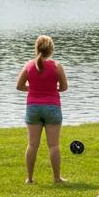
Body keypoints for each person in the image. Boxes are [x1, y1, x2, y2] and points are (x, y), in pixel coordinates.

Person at [15, 34, 68, 185]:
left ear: (36, 48)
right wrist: (50, 89)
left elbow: (19, 86)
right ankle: (57, 178)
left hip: (33, 107)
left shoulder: (29, 65)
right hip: (52, 107)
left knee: (32, 145)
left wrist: (34, 89)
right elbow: (64, 87)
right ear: (51, 49)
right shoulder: (57, 66)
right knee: (54, 145)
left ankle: (29, 178)